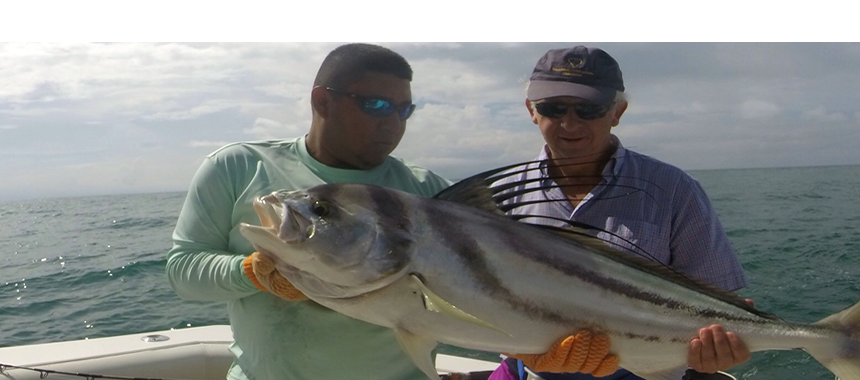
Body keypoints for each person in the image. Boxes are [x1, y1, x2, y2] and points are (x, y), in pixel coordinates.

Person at [165, 43, 617, 380]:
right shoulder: (238, 167)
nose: (393, 121)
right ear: (322, 101)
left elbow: (501, 294)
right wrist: (252, 271)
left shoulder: (429, 192)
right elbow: (182, 269)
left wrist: (545, 349)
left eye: (405, 109)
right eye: (377, 105)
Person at [488, 46, 751, 380]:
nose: (570, 122)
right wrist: (521, 351)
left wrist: (719, 347)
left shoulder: (675, 190)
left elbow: (718, 302)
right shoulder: (497, 197)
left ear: (617, 112)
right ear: (531, 110)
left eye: (590, 108)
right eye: (553, 107)